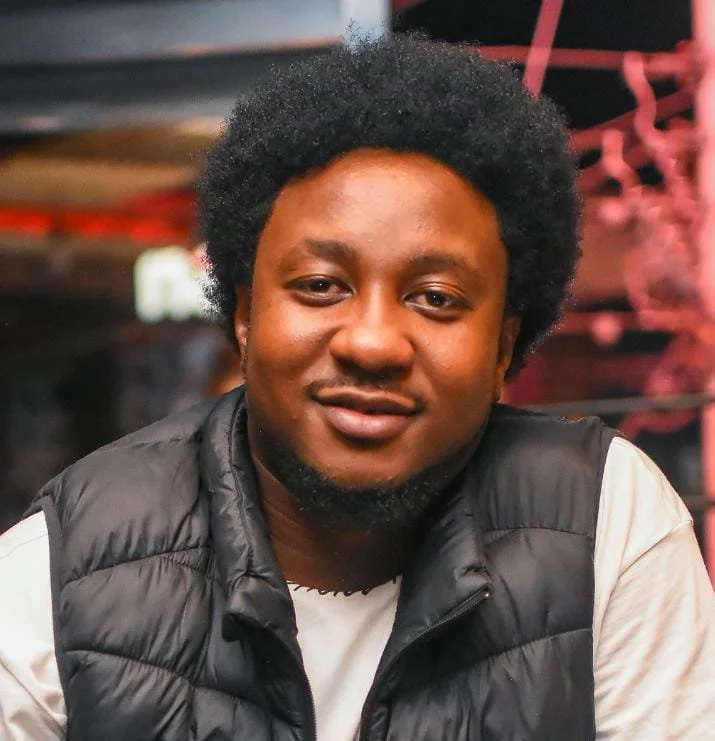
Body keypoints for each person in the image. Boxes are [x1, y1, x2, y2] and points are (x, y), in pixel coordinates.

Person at [1, 35, 713, 741]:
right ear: (245, 314)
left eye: (436, 298)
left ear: (503, 345)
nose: (371, 343)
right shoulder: (65, 566)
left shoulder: (602, 519)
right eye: (320, 286)